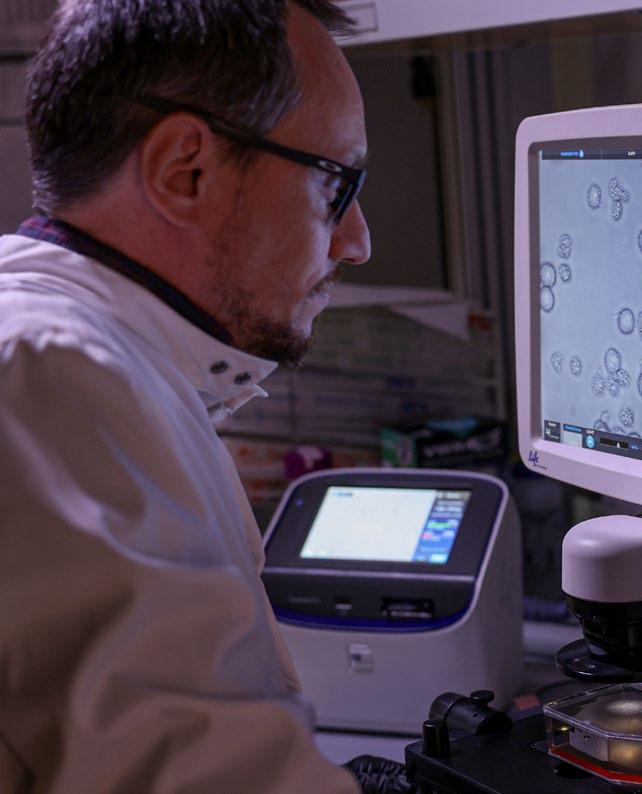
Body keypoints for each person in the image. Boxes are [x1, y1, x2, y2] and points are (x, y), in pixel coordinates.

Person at [0, 1, 409, 791]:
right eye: (337, 184)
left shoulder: (95, 357)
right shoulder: (54, 376)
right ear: (183, 170)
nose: (357, 240)